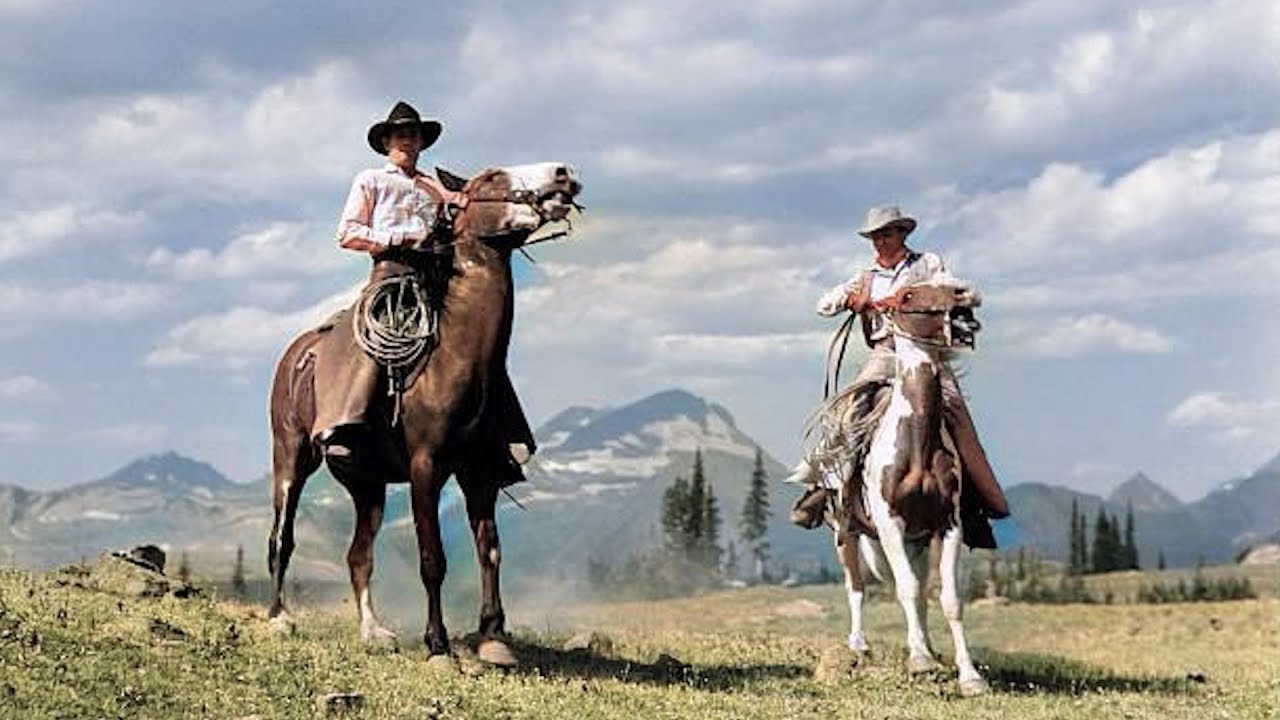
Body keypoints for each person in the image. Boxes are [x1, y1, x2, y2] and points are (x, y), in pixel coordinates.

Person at [311, 101, 536, 470]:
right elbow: (348, 233)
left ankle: (502, 432)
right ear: (386, 142)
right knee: (378, 337)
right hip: (392, 274)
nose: (407, 140)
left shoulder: (433, 186)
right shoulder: (371, 181)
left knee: (479, 342)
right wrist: (402, 237)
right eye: (400, 134)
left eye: (413, 134)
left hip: (437, 279)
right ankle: (348, 425)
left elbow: (459, 214)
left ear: (421, 142)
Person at [789, 205, 1009, 548]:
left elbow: (968, 294)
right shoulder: (866, 276)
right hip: (885, 356)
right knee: (848, 415)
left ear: (903, 234)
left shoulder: (928, 264)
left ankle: (976, 504)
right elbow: (823, 304)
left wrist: (917, 297)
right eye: (875, 236)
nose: (879, 242)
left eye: (886, 234)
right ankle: (827, 489)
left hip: (925, 353)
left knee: (955, 414)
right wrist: (851, 299)